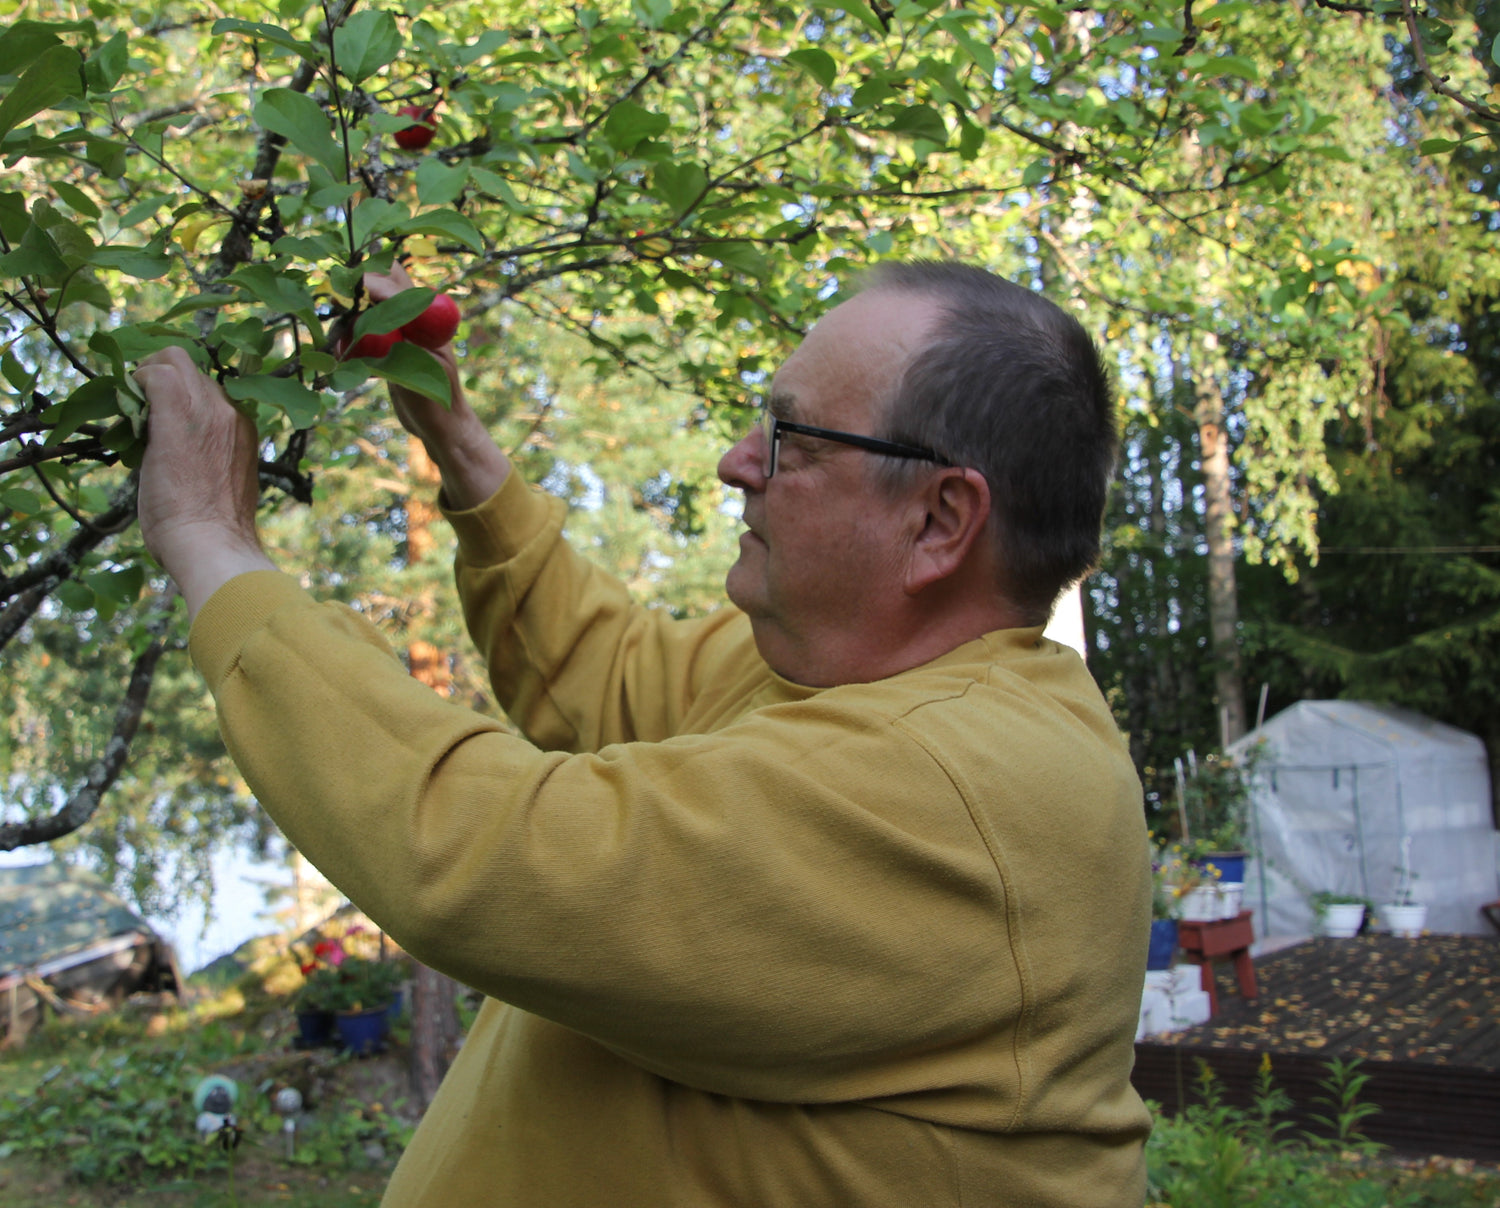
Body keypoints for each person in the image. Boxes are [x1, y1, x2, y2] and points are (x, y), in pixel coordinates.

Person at [136, 260, 1152, 1207]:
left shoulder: (957, 786)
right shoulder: (851, 681)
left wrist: (213, 544)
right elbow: (612, 675)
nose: (737, 461)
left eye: (792, 437)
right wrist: (455, 437)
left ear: (938, 519)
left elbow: (489, 850)